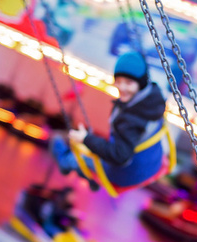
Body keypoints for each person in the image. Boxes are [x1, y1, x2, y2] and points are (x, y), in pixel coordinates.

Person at [50, 51, 167, 190]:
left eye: (129, 83)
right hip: (151, 165)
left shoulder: (131, 119)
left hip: (126, 174)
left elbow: (119, 156)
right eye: (118, 81)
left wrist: (86, 139)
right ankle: (89, 177)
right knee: (95, 148)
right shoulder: (153, 103)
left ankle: (67, 164)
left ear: (140, 84)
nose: (122, 88)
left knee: (66, 147)